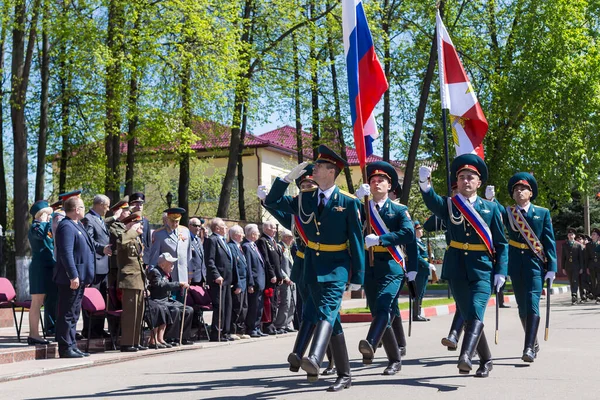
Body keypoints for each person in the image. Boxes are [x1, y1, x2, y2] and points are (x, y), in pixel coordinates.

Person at [264, 145, 364, 392]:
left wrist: (358, 275)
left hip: (337, 266)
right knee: (333, 321)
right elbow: (273, 201)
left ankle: (316, 358)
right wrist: (285, 179)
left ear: (331, 172)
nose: (313, 169)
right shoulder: (305, 198)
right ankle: (345, 374)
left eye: (319, 166)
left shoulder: (348, 202)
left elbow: (356, 240)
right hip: (312, 267)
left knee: (328, 310)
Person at [419, 154, 508, 378]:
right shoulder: (450, 205)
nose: (466, 181)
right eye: (461, 177)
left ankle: (465, 356)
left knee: (476, 312)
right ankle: (486, 360)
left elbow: (501, 243)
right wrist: (425, 185)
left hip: (482, 268)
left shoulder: (491, 209)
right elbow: (433, 202)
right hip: (457, 267)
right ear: (456, 183)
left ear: (479, 182)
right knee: (469, 315)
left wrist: (501, 271)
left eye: (471, 177)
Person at [258, 167, 336, 376]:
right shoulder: (295, 216)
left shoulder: (323, 211)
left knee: (323, 314)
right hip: (302, 267)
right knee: (308, 313)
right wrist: (265, 200)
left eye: (310, 185)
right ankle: (313, 358)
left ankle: (327, 359)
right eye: (302, 186)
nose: (306, 189)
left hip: (321, 266)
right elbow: (278, 209)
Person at [486, 173, 557, 362]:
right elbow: (496, 211)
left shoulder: (542, 213)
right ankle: (532, 340)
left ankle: (528, 348)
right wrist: (491, 200)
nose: (519, 191)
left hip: (535, 263)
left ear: (531, 193)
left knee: (532, 302)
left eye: (523, 189)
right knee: (522, 308)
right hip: (515, 263)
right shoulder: (509, 212)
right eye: (516, 189)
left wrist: (552, 267)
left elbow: (548, 241)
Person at [354, 161, 415, 375]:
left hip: (392, 265)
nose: (376, 183)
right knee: (378, 311)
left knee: (384, 305)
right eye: (372, 180)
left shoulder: (399, 210)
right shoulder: (361, 208)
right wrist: (355, 199)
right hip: (369, 267)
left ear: (389, 186)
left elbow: (409, 234)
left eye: (381, 181)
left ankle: (370, 343)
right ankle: (394, 359)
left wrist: (381, 239)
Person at [53, 193, 96, 358]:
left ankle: (72, 345)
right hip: (70, 279)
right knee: (67, 313)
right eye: (83, 207)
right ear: (76, 209)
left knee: (74, 313)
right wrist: (73, 275)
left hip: (80, 277)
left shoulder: (77, 224)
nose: (85, 210)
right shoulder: (66, 226)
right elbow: (66, 253)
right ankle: (65, 348)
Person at [81, 194, 112, 339]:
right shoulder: (88, 219)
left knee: (102, 300)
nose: (108, 209)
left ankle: (99, 329)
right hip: (95, 265)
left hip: (104, 266)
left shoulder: (99, 219)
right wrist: (102, 248)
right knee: (92, 299)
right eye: (107, 206)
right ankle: (89, 329)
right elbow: (89, 241)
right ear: (99, 205)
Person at [116, 211, 148, 352]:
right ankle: (127, 343)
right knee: (130, 312)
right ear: (130, 224)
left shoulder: (135, 239)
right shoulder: (124, 236)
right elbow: (121, 241)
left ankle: (135, 341)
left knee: (138, 312)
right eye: (137, 223)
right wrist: (132, 230)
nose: (140, 226)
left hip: (138, 279)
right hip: (129, 279)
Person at [147, 253, 194, 345]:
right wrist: (178, 284)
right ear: (163, 264)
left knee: (188, 310)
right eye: (170, 264)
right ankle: (171, 338)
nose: (172, 266)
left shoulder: (166, 273)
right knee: (174, 310)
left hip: (166, 300)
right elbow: (161, 285)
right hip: (158, 301)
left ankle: (183, 337)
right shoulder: (155, 272)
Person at [27, 200, 55, 345]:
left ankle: (38, 333)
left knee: (44, 301)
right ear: (41, 215)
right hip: (39, 269)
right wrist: (43, 222)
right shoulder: (35, 227)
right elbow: (41, 236)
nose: (50, 217)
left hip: (48, 268)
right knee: (37, 302)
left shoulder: (47, 227)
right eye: (47, 214)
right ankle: (34, 334)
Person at [149, 208, 193, 300]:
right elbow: (154, 257)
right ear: (167, 219)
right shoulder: (159, 234)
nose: (175, 224)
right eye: (172, 221)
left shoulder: (185, 231)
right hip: (167, 278)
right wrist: (152, 275)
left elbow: (188, 255)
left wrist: (189, 274)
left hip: (183, 276)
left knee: (182, 306)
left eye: (177, 221)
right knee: (170, 306)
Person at [204, 218, 234, 341]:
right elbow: (209, 260)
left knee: (227, 306)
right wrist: (216, 275)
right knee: (219, 307)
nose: (226, 228)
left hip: (227, 279)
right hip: (218, 280)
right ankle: (216, 333)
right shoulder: (212, 240)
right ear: (217, 228)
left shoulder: (223, 241)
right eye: (224, 226)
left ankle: (225, 332)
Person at [256, 221, 285, 335]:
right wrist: (272, 274)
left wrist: (280, 275)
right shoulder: (263, 241)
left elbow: (278, 261)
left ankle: (272, 324)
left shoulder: (273, 242)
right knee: (269, 302)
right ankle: (267, 326)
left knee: (274, 302)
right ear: (266, 229)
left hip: (276, 277)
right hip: (269, 277)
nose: (275, 230)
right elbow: (266, 259)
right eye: (273, 228)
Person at [242, 224, 267, 338]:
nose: (258, 234)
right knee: (254, 306)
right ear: (252, 234)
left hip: (261, 281)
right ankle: (251, 328)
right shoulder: (247, 246)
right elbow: (249, 266)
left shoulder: (253, 246)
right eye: (257, 232)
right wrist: (251, 283)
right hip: (255, 282)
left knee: (259, 306)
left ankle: (257, 327)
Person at [228, 225, 251, 339]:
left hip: (244, 282)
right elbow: (235, 267)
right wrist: (237, 284)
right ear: (236, 235)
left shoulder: (239, 247)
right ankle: (233, 330)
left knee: (244, 307)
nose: (243, 235)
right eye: (241, 233)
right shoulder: (231, 247)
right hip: (239, 282)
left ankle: (241, 330)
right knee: (237, 307)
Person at [274, 229, 296, 334]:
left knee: (292, 302)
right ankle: (280, 325)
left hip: (293, 279)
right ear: (286, 237)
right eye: (291, 238)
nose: (292, 240)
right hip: (285, 280)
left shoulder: (288, 248)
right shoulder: (280, 247)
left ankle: (287, 323)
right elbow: (278, 265)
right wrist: (285, 277)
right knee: (285, 302)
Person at [413, 220, 434, 322]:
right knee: (418, 293)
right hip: (419, 271)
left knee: (422, 293)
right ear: (415, 231)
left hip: (424, 271)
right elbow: (417, 257)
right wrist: (427, 264)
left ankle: (418, 313)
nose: (421, 231)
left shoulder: (421, 242)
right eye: (419, 229)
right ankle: (416, 315)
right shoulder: (414, 242)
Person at [561, 228, 584, 304]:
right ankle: (574, 296)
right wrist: (563, 268)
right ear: (567, 235)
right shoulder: (564, 245)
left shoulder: (578, 245)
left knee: (575, 280)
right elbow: (563, 257)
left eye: (572, 234)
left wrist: (581, 267)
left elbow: (580, 257)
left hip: (576, 266)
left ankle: (574, 296)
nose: (571, 235)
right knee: (571, 281)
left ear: (574, 236)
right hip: (568, 266)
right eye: (569, 234)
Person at [130, 192, 152, 265]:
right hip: (132, 257)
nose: (139, 207)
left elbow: (148, 241)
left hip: (144, 258)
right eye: (136, 204)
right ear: (131, 205)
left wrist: (148, 259)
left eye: (141, 204)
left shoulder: (145, 221)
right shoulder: (127, 221)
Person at [188, 217, 207, 287]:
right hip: (192, 277)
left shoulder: (198, 240)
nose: (198, 228)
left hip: (201, 276)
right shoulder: (186, 239)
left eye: (199, 226)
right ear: (189, 226)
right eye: (195, 225)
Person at [586, 228, 600, 304]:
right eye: (592, 234)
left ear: (598, 236)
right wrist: (587, 267)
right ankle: (595, 295)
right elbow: (586, 257)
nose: (592, 236)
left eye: (594, 234)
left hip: (599, 265)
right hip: (591, 265)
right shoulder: (588, 245)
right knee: (593, 281)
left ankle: (598, 296)